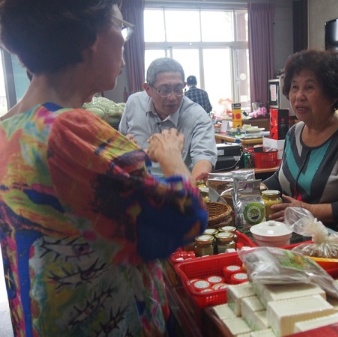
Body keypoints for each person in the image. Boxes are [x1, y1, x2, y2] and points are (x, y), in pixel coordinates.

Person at [0, 1, 207, 336]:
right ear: (92, 38)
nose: (124, 43)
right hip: (105, 321)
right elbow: (185, 216)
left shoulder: (10, 127)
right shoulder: (69, 129)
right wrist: (170, 156)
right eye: (120, 26)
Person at [264, 49, 338, 246]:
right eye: (294, 87)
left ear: (332, 95)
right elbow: (282, 178)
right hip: (298, 245)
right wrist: (250, 189)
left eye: (309, 88)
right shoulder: (294, 133)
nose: (299, 96)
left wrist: (308, 210)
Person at [118, 59, 217, 182]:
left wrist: (194, 188)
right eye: (164, 90)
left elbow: (204, 158)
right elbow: (120, 142)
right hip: (137, 185)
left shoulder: (197, 117)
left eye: (178, 89)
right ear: (148, 89)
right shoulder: (134, 103)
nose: (172, 97)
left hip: (179, 186)